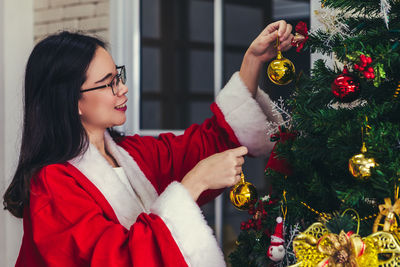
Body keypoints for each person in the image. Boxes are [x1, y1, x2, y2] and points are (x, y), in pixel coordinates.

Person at [3, 20, 293, 267]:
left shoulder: (133, 154)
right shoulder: (52, 186)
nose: (123, 88)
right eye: (109, 83)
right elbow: (115, 259)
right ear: (72, 100)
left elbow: (209, 141)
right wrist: (192, 185)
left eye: (119, 76)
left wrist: (252, 61)